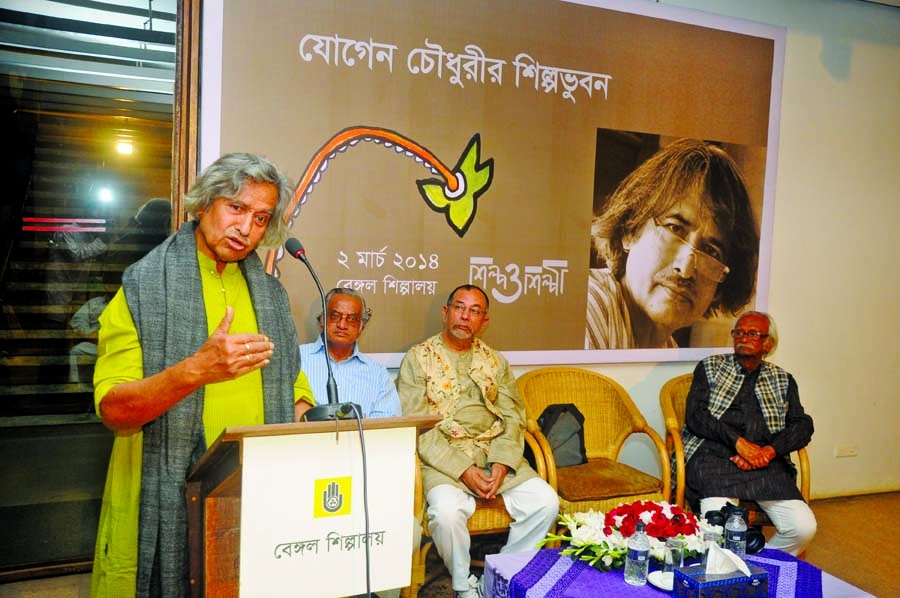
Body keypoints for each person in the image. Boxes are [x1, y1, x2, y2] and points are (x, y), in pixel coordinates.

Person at [90, 153, 315, 598]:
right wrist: (197, 370)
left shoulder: (269, 293)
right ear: (204, 204)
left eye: (261, 217)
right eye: (236, 207)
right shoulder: (143, 286)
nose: (246, 228)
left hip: (254, 493)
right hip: (168, 491)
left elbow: (294, 386)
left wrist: (309, 422)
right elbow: (115, 410)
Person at [397, 284, 559, 598]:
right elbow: (417, 425)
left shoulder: (496, 362)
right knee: (445, 514)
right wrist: (463, 470)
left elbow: (514, 417)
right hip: (444, 457)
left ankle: (499, 578)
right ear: (446, 313)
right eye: (459, 308)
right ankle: (463, 585)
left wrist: (501, 464)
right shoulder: (418, 359)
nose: (465, 316)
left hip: (496, 452)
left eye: (474, 311)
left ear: (483, 321)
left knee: (545, 503)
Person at [585, 138, 759, 349]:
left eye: (711, 251)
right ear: (630, 229)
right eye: (674, 228)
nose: (686, 270)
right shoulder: (584, 308)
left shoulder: (668, 350)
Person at [681, 310, 816, 556]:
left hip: (766, 463)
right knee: (718, 527)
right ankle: (725, 576)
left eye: (753, 333)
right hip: (714, 457)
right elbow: (696, 417)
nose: (743, 338)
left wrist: (768, 451)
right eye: (739, 332)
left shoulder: (782, 379)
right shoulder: (710, 367)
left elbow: (802, 424)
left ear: (769, 343)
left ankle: (762, 567)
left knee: (803, 527)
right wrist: (739, 444)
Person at [300, 287, 401, 418]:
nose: (342, 325)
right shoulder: (297, 359)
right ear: (322, 319)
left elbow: (387, 428)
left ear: (361, 326)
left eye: (352, 319)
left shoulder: (378, 374)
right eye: (335, 316)